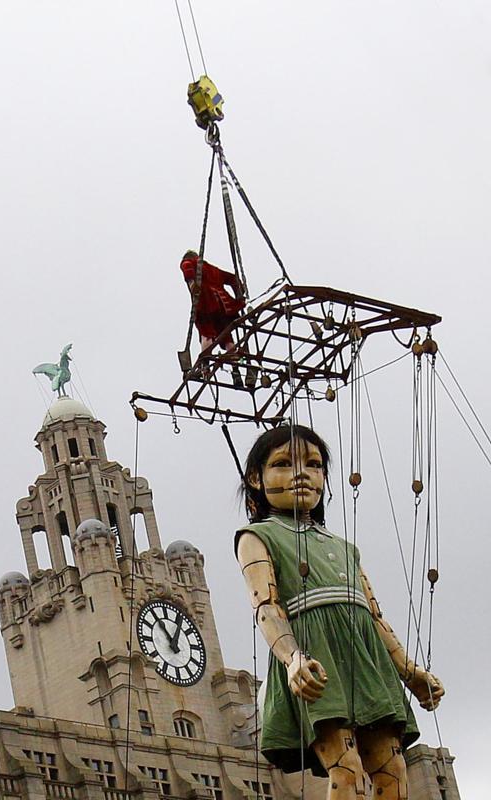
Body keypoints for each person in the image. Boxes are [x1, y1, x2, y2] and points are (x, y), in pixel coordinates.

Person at [235, 425, 444, 798]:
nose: (302, 474)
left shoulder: (346, 548)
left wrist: (409, 671)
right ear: (256, 478)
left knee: (394, 771)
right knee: (345, 770)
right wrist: (292, 658)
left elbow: (374, 616)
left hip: (366, 662)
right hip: (318, 660)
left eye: (314, 465)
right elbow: (265, 606)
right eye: (283, 464)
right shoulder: (258, 536)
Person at [180, 250, 246, 349]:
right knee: (225, 333)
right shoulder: (213, 269)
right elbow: (233, 278)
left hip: (205, 302)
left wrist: (192, 284)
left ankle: (205, 359)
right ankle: (233, 355)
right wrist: (239, 294)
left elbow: (187, 267)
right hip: (224, 306)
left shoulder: (190, 262)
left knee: (206, 331)